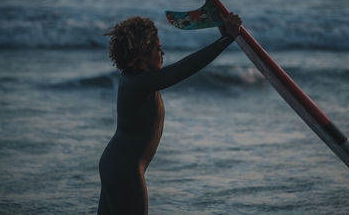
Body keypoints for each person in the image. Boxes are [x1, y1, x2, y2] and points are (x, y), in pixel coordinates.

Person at [98, 12, 242, 215]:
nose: (162, 53)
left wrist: (225, 34)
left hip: (115, 164)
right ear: (138, 57)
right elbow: (183, 69)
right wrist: (227, 39)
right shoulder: (138, 83)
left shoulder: (138, 79)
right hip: (124, 170)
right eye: (157, 49)